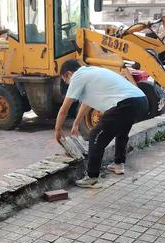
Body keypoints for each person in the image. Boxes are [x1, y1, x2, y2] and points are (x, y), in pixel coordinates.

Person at [54, 60, 149, 188]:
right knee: (122, 130)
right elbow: (86, 103)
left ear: (69, 74)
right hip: (141, 101)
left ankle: (92, 177)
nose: (67, 84)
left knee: (95, 135)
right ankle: (118, 164)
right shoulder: (91, 72)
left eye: (65, 80)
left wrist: (58, 129)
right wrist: (76, 123)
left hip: (126, 104)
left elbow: (64, 110)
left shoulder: (77, 76)